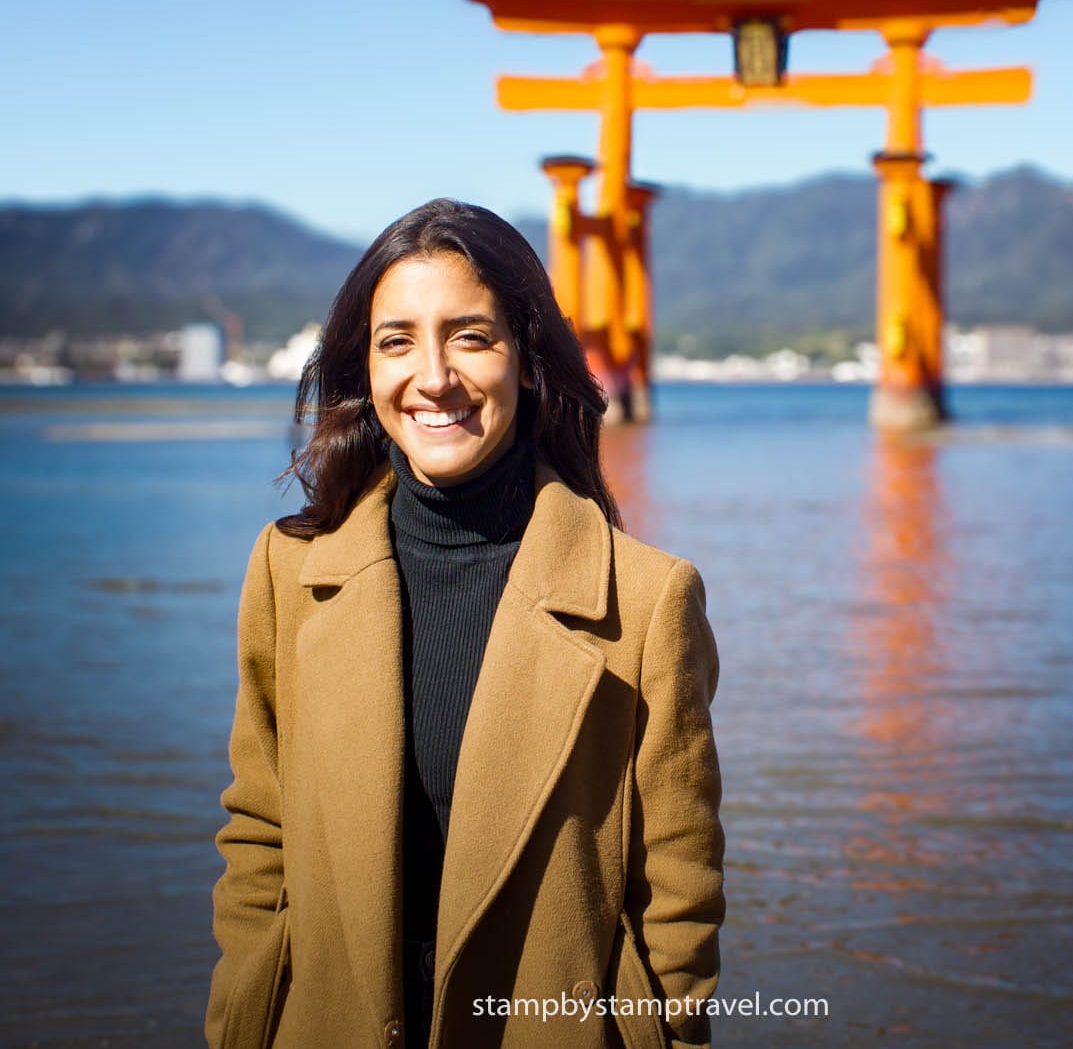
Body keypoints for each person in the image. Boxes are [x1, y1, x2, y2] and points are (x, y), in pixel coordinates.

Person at [205, 199, 725, 1049]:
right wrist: (241, 1016)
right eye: (397, 341)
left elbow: (680, 888)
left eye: (471, 337)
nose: (434, 376)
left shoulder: (647, 600)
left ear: (528, 360)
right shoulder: (288, 572)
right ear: (364, 370)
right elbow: (259, 832)